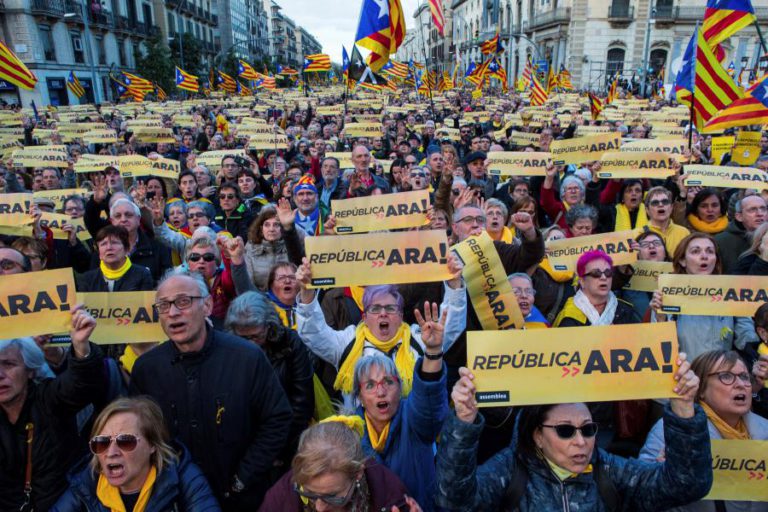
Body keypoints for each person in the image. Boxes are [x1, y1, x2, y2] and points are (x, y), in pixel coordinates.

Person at [435, 355, 713, 511]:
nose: (581, 442)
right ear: (538, 436)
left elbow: (686, 485)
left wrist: (684, 407)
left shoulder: (609, 471)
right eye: (565, 431)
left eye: (588, 430)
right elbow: (452, 502)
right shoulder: (508, 472)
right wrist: (463, 421)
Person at [129, 270, 293, 510]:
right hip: (174, 500)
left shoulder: (247, 358)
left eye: (183, 302)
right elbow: (139, 434)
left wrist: (242, 478)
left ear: (207, 305)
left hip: (241, 501)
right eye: (163, 306)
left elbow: (277, 419)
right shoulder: (146, 369)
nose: (173, 312)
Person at [294, 259, 466, 407]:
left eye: (390, 308)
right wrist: (306, 292)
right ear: (365, 317)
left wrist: (454, 284)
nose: (383, 313)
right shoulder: (348, 342)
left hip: (409, 431)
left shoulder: (419, 339)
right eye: (375, 309)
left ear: (400, 316)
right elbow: (314, 333)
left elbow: (449, 328)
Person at [345, 300, 447, 511]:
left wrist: (433, 351)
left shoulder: (414, 419)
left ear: (400, 388)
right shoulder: (348, 436)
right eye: (370, 385)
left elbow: (429, 402)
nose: (381, 391)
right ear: (360, 396)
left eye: (388, 382)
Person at [0, 307, 105, 511]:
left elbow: (81, 385)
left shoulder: (49, 399)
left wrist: (80, 345)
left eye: (8, 364)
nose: (0, 374)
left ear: (30, 369)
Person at [640, 349, 768, 512]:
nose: (740, 384)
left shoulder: (765, 432)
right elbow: (643, 491)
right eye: (726, 376)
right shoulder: (673, 430)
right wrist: (662, 474)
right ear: (701, 389)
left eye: (744, 377)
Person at [51, 397, 221, 512]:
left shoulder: (184, 478)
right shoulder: (85, 483)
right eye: (102, 442)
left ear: (153, 445)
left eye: (125, 441)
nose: (111, 453)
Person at [224, 292, 315, 471]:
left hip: (287, 443)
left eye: (256, 336)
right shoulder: (227, 349)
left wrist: (276, 450)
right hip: (246, 450)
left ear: (269, 326)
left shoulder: (290, 343)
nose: (251, 344)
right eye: (244, 338)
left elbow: (301, 403)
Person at [259, 421, 417, 512]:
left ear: (358, 473)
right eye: (310, 494)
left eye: (332, 496)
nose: (319, 508)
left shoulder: (390, 495)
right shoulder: (281, 499)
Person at [651, 233, 759, 361]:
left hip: (722, 376)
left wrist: (758, 352)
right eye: (696, 251)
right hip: (684, 376)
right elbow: (659, 347)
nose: (704, 256)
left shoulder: (730, 292)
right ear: (682, 260)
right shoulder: (666, 295)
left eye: (710, 251)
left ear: (716, 259)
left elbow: (746, 337)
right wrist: (660, 318)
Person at [238, 199, 304, 291]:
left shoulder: (293, 246)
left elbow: (298, 266)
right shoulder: (250, 248)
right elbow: (248, 284)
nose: (271, 229)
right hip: (261, 300)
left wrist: (288, 227)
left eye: (276, 225)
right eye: (267, 225)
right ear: (261, 229)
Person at [77, 225, 154, 292]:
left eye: (114, 243)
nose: (109, 248)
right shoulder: (86, 279)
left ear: (127, 249)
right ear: (99, 253)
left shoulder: (142, 275)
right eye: (103, 244)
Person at [715, 194, 767, 273]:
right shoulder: (720, 241)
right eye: (752, 209)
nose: (760, 214)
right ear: (739, 217)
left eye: (763, 209)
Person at [643, 186, 690, 257]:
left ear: (671, 207)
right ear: (647, 210)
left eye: (665, 202)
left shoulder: (684, 233)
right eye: (655, 203)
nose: (661, 205)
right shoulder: (638, 234)